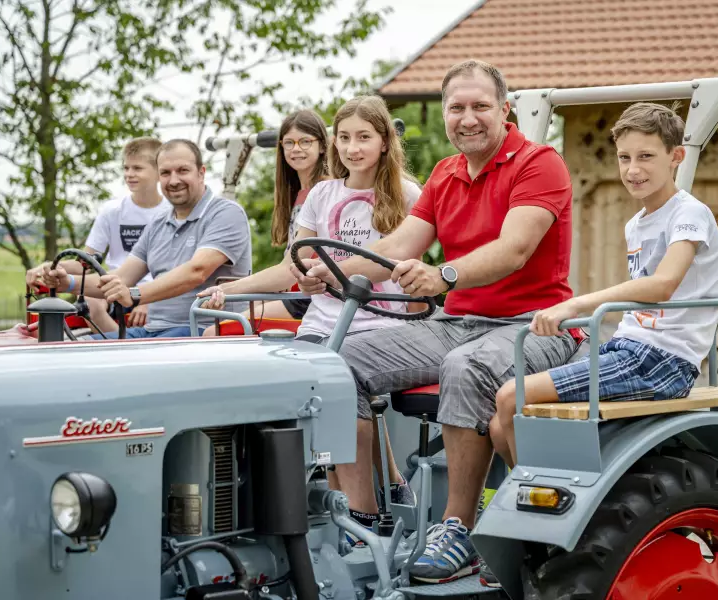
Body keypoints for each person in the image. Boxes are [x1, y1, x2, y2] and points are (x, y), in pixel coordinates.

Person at [292, 60, 579, 584]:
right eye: (456, 108)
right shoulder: (447, 174)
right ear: (445, 114)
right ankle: (364, 517)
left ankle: (458, 529)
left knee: (464, 367)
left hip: (533, 326)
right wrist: (330, 270)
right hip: (461, 321)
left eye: (480, 106)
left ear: (504, 109)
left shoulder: (540, 164)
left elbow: (514, 250)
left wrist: (444, 274)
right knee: (340, 363)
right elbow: (398, 246)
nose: (467, 118)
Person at [198, 96, 422, 536]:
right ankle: (336, 505)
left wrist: (337, 272)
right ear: (334, 143)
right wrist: (307, 281)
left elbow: (408, 258)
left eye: (364, 138)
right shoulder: (323, 194)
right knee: (294, 391)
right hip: (321, 321)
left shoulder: (408, 194)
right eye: (345, 138)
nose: (353, 148)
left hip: (378, 321)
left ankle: (367, 512)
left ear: (384, 143)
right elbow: (300, 260)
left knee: (338, 384)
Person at [493, 102, 718, 463]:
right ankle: (540, 488)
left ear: (676, 155)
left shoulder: (689, 212)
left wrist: (576, 304)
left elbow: (663, 285)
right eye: (624, 157)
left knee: (511, 396)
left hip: (664, 359)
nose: (633, 170)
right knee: (498, 422)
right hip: (627, 347)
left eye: (646, 156)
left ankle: (540, 501)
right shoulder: (636, 224)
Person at [36, 139, 252, 338]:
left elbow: (196, 272)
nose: (174, 180)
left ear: (201, 172)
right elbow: (121, 277)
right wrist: (69, 283)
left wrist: (135, 295)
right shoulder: (158, 224)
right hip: (151, 331)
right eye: (166, 173)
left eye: (183, 170)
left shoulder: (226, 214)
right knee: (74, 350)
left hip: (200, 330)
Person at [198, 109, 330, 333]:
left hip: (313, 296)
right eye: (289, 143)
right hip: (295, 293)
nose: (296, 149)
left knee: (215, 331)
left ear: (323, 146)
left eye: (305, 141)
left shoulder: (325, 191)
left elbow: (289, 269)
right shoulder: (299, 194)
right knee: (222, 317)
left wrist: (230, 288)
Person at [26, 137, 171, 333]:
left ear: (158, 171)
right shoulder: (112, 210)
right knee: (89, 302)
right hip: (114, 286)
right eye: (126, 168)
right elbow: (84, 263)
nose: (129, 174)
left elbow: (174, 270)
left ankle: (124, 345)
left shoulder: (170, 212)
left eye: (137, 168)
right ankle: (118, 345)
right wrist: (50, 266)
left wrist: (147, 302)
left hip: (157, 292)